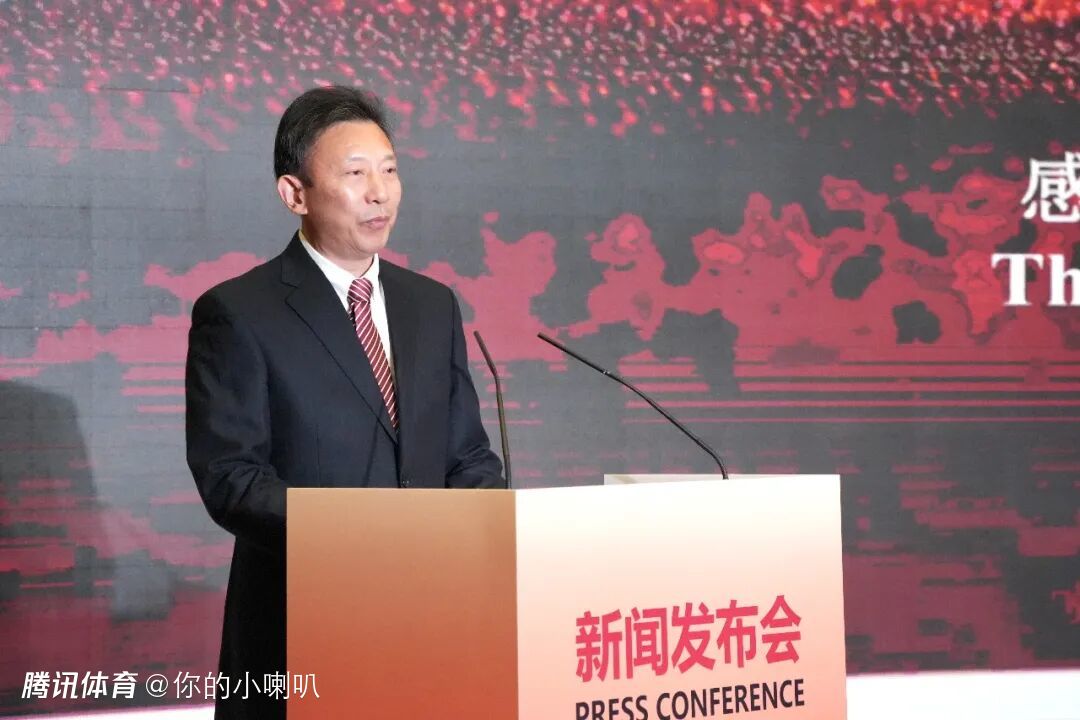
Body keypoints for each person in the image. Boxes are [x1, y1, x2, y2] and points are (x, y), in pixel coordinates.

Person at [185, 85, 504, 719]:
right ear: (294, 194)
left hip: (432, 621)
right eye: (355, 174)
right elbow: (232, 479)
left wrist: (487, 527)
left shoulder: (431, 305)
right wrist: (366, 539)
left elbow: (466, 453)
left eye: (389, 171)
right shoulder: (239, 312)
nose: (379, 193)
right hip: (302, 627)